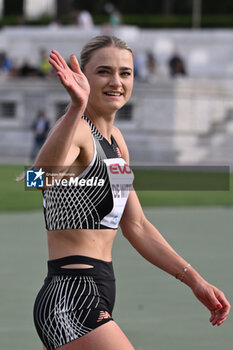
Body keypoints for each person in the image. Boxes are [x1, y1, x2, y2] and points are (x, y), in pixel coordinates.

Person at [32, 35, 230, 350]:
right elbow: (38, 180)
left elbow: (136, 225)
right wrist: (75, 108)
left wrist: (195, 281)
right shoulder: (78, 129)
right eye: (104, 71)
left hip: (98, 292)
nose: (116, 81)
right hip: (72, 297)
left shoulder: (117, 142)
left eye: (125, 72)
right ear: (83, 76)